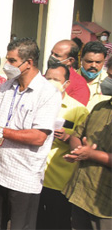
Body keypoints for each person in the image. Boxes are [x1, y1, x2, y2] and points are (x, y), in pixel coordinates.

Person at [0, 38, 61, 230]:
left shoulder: (47, 93)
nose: (7, 65)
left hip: (23, 175)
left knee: (21, 226)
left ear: (28, 63)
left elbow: (38, 137)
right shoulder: (7, 86)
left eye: (12, 61)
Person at [36, 63, 89, 230]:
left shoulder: (78, 110)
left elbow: (82, 142)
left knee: (58, 222)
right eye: (48, 78)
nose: (51, 82)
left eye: (56, 80)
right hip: (33, 175)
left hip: (60, 180)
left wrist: (68, 138)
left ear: (66, 84)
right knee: (36, 222)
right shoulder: (35, 102)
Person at [62, 58, 112, 229]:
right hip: (81, 194)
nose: (107, 81)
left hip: (105, 206)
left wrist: (92, 154)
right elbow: (78, 134)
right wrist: (78, 150)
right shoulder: (100, 107)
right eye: (109, 76)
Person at [48, 39, 90, 107]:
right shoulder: (42, 78)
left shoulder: (79, 86)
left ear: (70, 61)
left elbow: (75, 112)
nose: (51, 57)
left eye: (57, 55)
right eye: (51, 53)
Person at [78, 41, 111, 110]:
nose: (93, 65)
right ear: (81, 59)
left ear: (104, 61)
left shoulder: (109, 81)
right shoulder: (69, 78)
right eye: (89, 61)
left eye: (98, 62)